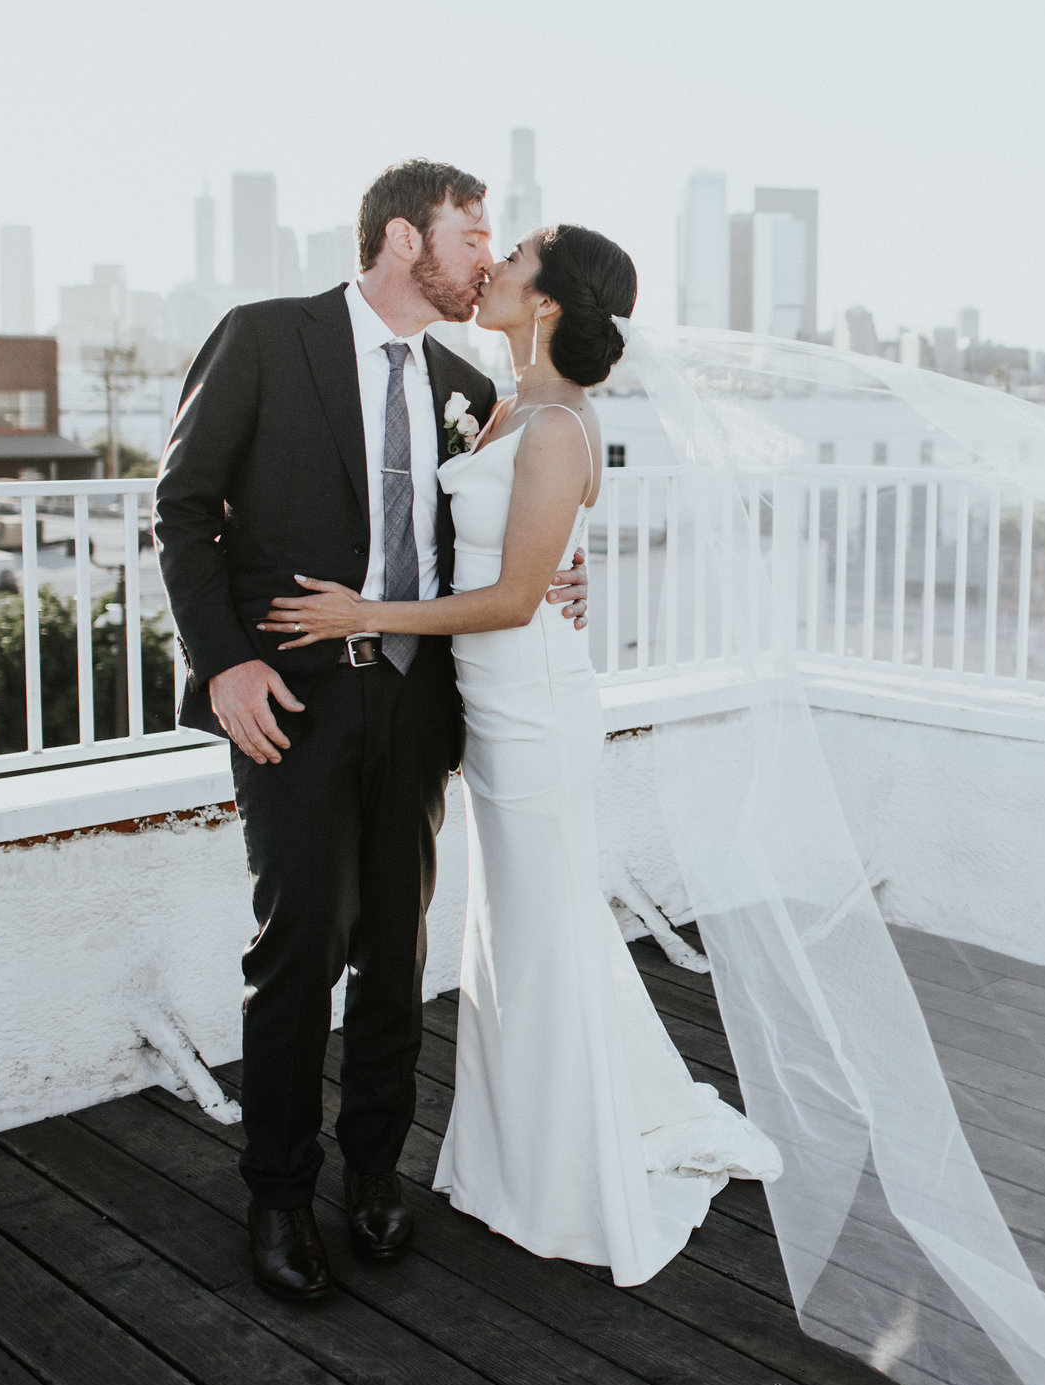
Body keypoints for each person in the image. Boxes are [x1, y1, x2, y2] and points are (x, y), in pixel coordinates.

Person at [261, 224, 778, 1286]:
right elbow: (513, 555)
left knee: (543, 933)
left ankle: (562, 1169)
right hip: (491, 709)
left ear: (546, 301)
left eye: (517, 258)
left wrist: (365, 612)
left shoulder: (555, 422)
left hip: (535, 709)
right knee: (524, 929)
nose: (491, 266)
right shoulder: (500, 403)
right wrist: (560, 572)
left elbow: (507, 598)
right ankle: (522, 1151)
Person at [155, 160, 590, 1301]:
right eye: (471, 233)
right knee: (298, 946)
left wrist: (564, 569)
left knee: (395, 950)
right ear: (405, 238)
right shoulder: (265, 338)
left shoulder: (464, 382)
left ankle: (374, 1170)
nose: (487, 256)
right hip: (291, 698)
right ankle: (278, 1191)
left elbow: (509, 522)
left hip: (416, 699)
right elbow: (182, 508)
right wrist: (225, 662)